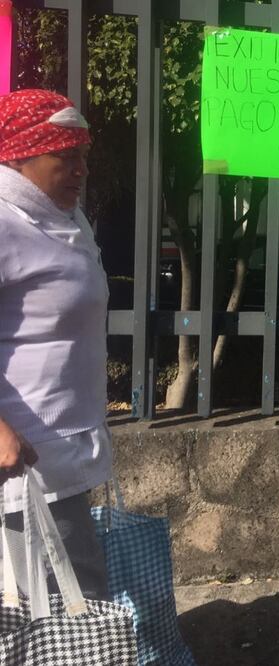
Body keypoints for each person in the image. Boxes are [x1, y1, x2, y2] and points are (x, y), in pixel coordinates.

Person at [0, 89, 110, 599]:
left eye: (83, 156)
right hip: (22, 464)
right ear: (18, 156)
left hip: (62, 453)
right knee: (67, 611)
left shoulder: (64, 219)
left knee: (60, 610)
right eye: (64, 157)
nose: (80, 170)